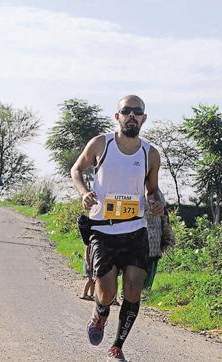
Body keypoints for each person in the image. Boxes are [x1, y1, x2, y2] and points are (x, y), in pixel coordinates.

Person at [71, 94, 163, 362]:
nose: (132, 116)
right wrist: (83, 192)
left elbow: (152, 189)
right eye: (127, 111)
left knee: (134, 290)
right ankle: (100, 312)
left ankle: (117, 347)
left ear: (144, 118)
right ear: (117, 116)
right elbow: (76, 170)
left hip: (135, 230)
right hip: (103, 230)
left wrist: (155, 202)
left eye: (137, 112)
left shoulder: (150, 153)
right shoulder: (102, 144)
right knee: (107, 293)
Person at [142, 192, 175, 293]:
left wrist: (167, 235)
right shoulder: (136, 193)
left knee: (151, 267)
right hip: (140, 240)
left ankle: (145, 293)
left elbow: (165, 217)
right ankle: (127, 295)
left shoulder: (158, 195)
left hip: (155, 240)